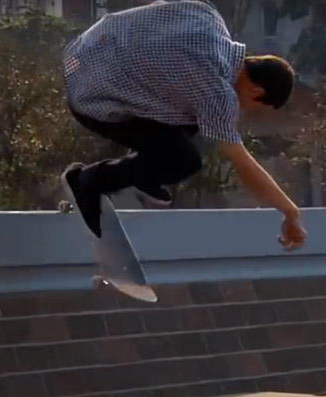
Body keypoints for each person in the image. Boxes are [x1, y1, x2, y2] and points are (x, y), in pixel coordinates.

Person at [60, 0, 307, 251]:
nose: (243, 110)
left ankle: (144, 173)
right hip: (90, 101)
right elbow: (242, 163)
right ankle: (87, 181)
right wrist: (290, 212)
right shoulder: (218, 93)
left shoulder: (208, 15)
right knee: (185, 160)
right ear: (256, 91)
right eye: (252, 106)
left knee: (191, 119)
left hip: (81, 52)